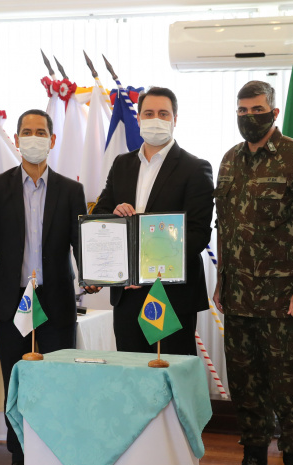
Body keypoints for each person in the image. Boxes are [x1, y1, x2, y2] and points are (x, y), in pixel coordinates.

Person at [206, 80, 293, 465]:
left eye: (256, 109)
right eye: (241, 110)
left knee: (288, 386)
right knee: (245, 384)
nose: (248, 117)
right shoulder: (229, 161)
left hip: (283, 297)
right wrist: (222, 279)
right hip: (238, 294)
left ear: (274, 113)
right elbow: (225, 226)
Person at [0, 109, 87, 465]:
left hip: (56, 305)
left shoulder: (71, 190)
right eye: (27, 132)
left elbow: (81, 244)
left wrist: (97, 274)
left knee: (56, 383)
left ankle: (54, 458)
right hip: (11, 304)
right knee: (16, 383)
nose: (34, 138)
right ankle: (19, 458)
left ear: (52, 140)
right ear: (16, 139)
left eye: (41, 132)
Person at [90, 86, 214, 355]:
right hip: (127, 293)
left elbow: (197, 234)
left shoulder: (195, 168)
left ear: (175, 119)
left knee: (169, 373)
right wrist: (114, 215)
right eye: (148, 113)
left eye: (163, 113)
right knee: (132, 375)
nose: (155, 118)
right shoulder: (121, 164)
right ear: (139, 118)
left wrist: (144, 269)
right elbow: (99, 218)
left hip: (170, 296)